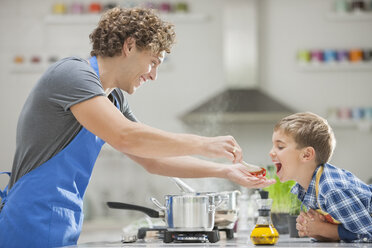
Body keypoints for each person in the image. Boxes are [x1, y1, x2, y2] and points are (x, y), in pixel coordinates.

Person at [0, 7, 275, 247]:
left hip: (62, 219)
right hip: (30, 219)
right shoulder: (72, 75)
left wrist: (225, 170)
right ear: (129, 46)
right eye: (153, 62)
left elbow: (153, 160)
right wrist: (205, 143)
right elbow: (126, 136)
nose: (154, 75)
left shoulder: (113, 98)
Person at [269, 112, 372, 243]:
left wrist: (323, 230)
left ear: (306, 155)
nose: (271, 152)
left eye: (280, 146)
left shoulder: (331, 190)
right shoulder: (306, 188)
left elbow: (368, 234)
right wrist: (315, 230)